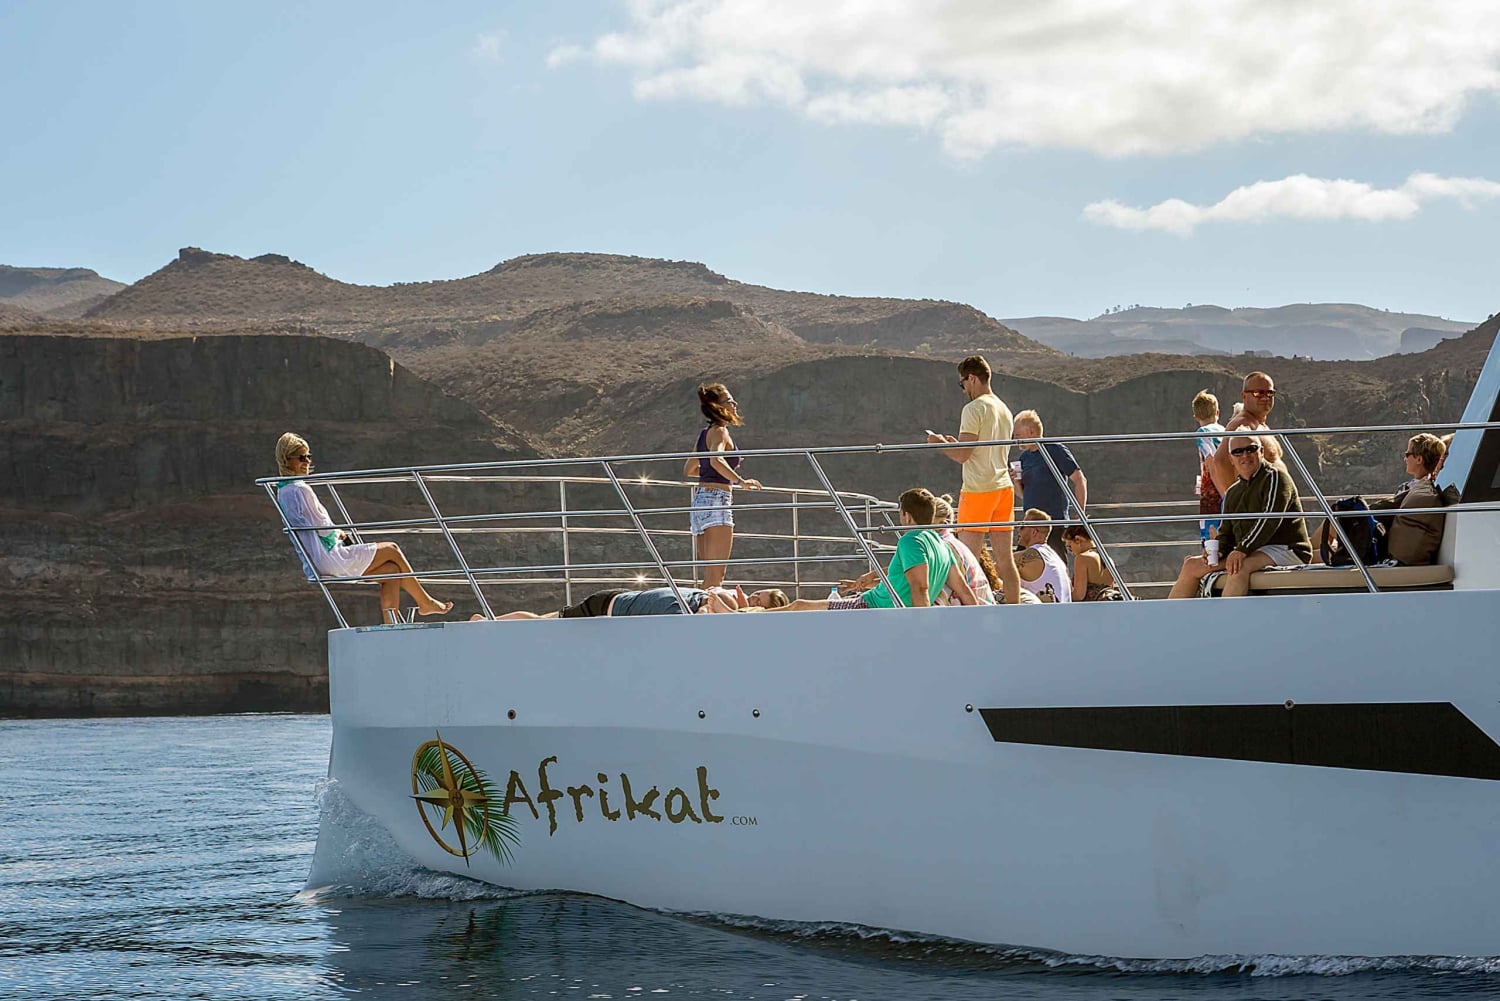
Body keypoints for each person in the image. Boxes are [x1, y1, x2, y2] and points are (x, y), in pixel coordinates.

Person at [274, 432, 453, 624]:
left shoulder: (283, 489)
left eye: (308, 457)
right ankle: (425, 602)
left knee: (392, 571)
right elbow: (323, 528)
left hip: (317, 562)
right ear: (287, 459)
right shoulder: (301, 489)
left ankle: (392, 624)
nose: (307, 462)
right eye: (301, 458)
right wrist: (339, 534)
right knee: (392, 549)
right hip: (331, 557)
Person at [771, 488, 977, 611]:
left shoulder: (910, 541)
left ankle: (750, 616)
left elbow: (920, 587)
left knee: (800, 606)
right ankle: (749, 613)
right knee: (802, 605)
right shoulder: (941, 546)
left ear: (906, 515)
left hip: (873, 605)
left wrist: (920, 628)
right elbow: (964, 590)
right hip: (881, 602)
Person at [926, 355, 1022, 604]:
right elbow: (980, 449)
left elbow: (962, 455)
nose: (964, 390)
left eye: (962, 384)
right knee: (1005, 559)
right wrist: (954, 444)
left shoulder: (973, 408)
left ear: (972, 378)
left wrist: (938, 444)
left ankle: (973, 609)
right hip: (1003, 488)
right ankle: (1015, 606)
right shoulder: (1003, 408)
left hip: (978, 489)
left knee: (966, 557)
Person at [1169, 435, 1311, 599]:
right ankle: (1169, 621)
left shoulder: (1276, 478)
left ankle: (1226, 622)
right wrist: (1218, 551)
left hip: (1287, 549)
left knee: (1239, 566)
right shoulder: (1233, 492)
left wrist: (1242, 550)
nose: (1245, 456)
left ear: (1261, 452)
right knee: (1191, 565)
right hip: (1253, 550)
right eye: (1238, 452)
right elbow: (1226, 532)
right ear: (1231, 458)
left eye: (1251, 449)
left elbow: (1269, 520)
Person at [683, 383, 762, 590]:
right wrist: (740, 481)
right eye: (729, 401)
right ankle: (706, 617)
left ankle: (698, 613)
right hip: (718, 499)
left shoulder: (705, 433)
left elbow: (690, 468)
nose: (734, 404)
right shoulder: (720, 431)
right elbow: (716, 459)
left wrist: (710, 471)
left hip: (701, 501)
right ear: (717, 406)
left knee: (710, 573)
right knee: (717, 574)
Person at [1012, 409, 1087, 562]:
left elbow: (1079, 479)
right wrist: (1015, 481)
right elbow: (1023, 495)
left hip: (1054, 520)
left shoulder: (1055, 449)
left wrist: (1080, 514)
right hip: (1030, 521)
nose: (1015, 439)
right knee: (1022, 561)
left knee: (1056, 561)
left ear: (1031, 432)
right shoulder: (1023, 458)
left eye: (1018, 434)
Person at [1368, 433, 1448, 565]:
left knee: (1332, 523)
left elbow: (1387, 508)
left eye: (1407, 454)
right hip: (1382, 536)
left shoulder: (1418, 491)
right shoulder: (1418, 488)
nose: (1405, 459)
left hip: (1380, 541)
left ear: (1419, 459)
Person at [492, 585, 790, 620]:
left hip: (616, 602)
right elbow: (709, 608)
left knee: (546, 621)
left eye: (756, 601)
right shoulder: (721, 597)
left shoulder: (717, 597)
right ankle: (491, 624)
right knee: (544, 622)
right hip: (609, 605)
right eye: (755, 594)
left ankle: (493, 623)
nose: (750, 598)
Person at [1207, 372, 1284, 496]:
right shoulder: (1242, 424)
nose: (1265, 398)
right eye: (1258, 393)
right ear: (1244, 396)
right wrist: (1238, 500)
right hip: (1260, 503)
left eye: (1269, 393)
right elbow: (1220, 461)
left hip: (1274, 501)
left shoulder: (1260, 424)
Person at [932, 494, 996, 604]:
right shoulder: (952, 543)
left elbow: (960, 589)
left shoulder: (943, 546)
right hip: (983, 607)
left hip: (973, 610)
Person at [1014, 508, 1072, 602]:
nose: (1018, 530)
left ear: (1034, 532)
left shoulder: (1030, 555)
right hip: (1062, 614)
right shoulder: (1056, 558)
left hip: (1043, 615)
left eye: (1022, 526)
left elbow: (991, 573)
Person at [1192, 390, 1226, 548]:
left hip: (1214, 491)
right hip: (1228, 483)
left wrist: (1225, 495)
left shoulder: (1203, 433)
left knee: (1211, 536)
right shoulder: (1225, 431)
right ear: (1217, 412)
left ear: (1196, 417)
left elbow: (1212, 463)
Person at [1062, 525, 1122, 601]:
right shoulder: (1108, 559)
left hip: (1089, 609)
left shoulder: (1082, 558)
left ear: (1078, 540)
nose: (1072, 552)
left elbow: (1079, 596)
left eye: (1069, 546)